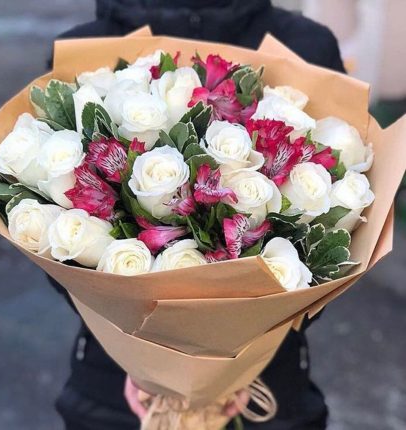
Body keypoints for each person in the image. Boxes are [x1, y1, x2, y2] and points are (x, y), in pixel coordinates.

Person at [49, 1, 345, 429]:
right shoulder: (85, 47)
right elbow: (55, 234)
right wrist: (148, 365)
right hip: (115, 374)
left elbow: (340, 235)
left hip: (268, 375)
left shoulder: (305, 46)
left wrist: (240, 360)